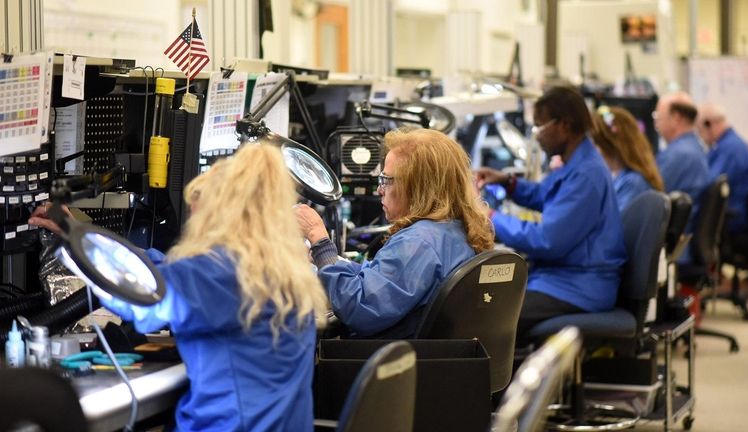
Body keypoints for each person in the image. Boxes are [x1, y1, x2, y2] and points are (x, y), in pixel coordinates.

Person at [31, 145, 328, 432]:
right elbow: (163, 268)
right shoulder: (283, 274)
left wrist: (76, 238)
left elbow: (142, 299)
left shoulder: (216, 274)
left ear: (219, 219)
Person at [295, 127, 495, 338]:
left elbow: (359, 309)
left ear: (417, 187)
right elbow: (387, 280)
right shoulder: (456, 231)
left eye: (386, 180)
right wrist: (329, 261)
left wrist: (319, 239)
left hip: (386, 362)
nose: (379, 190)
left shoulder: (418, 242)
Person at [475, 86, 627, 340]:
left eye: (539, 128)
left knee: (492, 318)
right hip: (562, 278)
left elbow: (547, 240)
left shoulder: (587, 175)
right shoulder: (577, 163)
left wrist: (489, 217)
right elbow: (544, 194)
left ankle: (506, 379)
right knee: (484, 301)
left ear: (564, 125)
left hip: (578, 286)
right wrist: (506, 182)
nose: (536, 137)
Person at [654, 91, 710, 263]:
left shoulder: (678, 155)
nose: (655, 122)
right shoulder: (694, 147)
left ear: (676, 118)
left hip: (675, 245)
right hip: (685, 240)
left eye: (658, 116)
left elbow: (651, 197)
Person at [697, 102, 748, 233]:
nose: (700, 136)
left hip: (734, 218)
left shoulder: (730, 148)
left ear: (709, 124)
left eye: (700, 130)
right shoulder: (725, 145)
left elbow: (710, 183)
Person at [592, 105, 664, 211]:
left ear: (611, 146)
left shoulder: (632, 183)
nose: (593, 151)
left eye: (595, 144)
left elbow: (615, 225)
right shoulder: (622, 178)